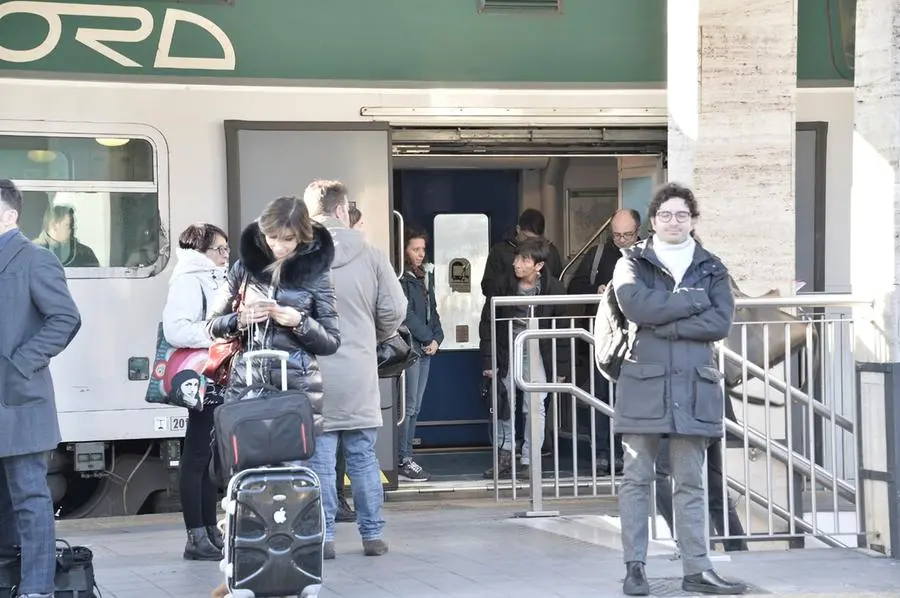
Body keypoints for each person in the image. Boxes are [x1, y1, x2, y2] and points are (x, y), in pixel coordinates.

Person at [612, 182, 746, 596]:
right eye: (666, 215)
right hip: (643, 383)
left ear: (693, 220)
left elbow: (720, 322)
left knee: (692, 479)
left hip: (694, 385)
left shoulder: (711, 266)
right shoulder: (631, 261)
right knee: (636, 477)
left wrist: (661, 321)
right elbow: (635, 305)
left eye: (682, 215)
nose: (674, 221)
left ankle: (697, 569)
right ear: (653, 221)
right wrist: (691, 303)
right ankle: (635, 567)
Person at [304, 180, 407, 559]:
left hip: (313, 375)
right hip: (359, 371)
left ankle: (325, 537)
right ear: (342, 210)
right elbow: (394, 311)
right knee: (363, 456)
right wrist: (368, 335)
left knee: (320, 459)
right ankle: (372, 536)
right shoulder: (372, 254)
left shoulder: (298, 255)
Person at [0, 179, 82, 598]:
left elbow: (65, 319)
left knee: (30, 499)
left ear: (10, 215)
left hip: (19, 399)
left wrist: (20, 364)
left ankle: (37, 588)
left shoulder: (36, 259)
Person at [206, 195, 340, 421]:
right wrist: (241, 319)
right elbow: (211, 325)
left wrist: (299, 322)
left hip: (297, 390)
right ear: (262, 232)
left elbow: (331, 341)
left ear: (302, 236)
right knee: (244, 454)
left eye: (288, 239)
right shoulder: (245, 267)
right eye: (272, 237)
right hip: (246, 386)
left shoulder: (317, 273)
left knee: (292, 455)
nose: (279, 246)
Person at [161, 223, 230, 561]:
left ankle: (208, 531)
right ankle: (195, 536)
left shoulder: (215, 277)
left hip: (218, 376)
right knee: (197, 455)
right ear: (200, 252)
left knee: (206, 456)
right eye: (220, 249)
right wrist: (217, 335)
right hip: (203, 375)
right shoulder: (189, 279)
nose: (225, 255)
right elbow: (176, 329)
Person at [480, 238, 570, 479]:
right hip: (506, 346)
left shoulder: (554, 288)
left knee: (536, 403)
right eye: (516, 257)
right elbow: (487, 322)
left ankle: (531, 460)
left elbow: (562, 331)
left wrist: (561, 367)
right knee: (504, 400)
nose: (516, 263)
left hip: (537, 349)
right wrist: (489, 362)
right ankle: (505, 454)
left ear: (538, 266)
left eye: (524, 260)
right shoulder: (503, 284)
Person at [567, 209, 642, 476]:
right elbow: (572, 286)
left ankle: (627, 452)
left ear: (638, 231)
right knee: (601, 396)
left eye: (627, 235)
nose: (622, 240)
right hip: (604, 338)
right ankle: (602, 452)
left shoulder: (648, 255)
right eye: (617, 235)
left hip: (638, 340)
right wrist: (595, 290)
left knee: (633, 398)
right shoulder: (598, 254)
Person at [397, 228, 444, 482]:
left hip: (425, 346)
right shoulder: (401, 278)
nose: (420, 254)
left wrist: (438, 337)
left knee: (415, 408)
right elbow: (405, 314)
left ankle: (407, 456)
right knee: (409, 405)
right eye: (415, 249)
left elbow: (432, 309)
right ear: (404, 251)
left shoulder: (425, 276)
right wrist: (428, 337)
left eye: (422, 249)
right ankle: (402, 458)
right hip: (412, 348)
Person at [482, 208, 563, 294]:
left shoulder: (551, 252)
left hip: (542, 304)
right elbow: (487, 286)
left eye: (536, 239)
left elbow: (556, 283)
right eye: (528, 238)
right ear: (518, 229)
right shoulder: (499, 251)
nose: (531, 243)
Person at [33, 205, 99, 268]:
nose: (74, 228)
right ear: (54, 225)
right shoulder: (32, 252)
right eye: (69, 225)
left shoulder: (85, 254)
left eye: (73, 225)